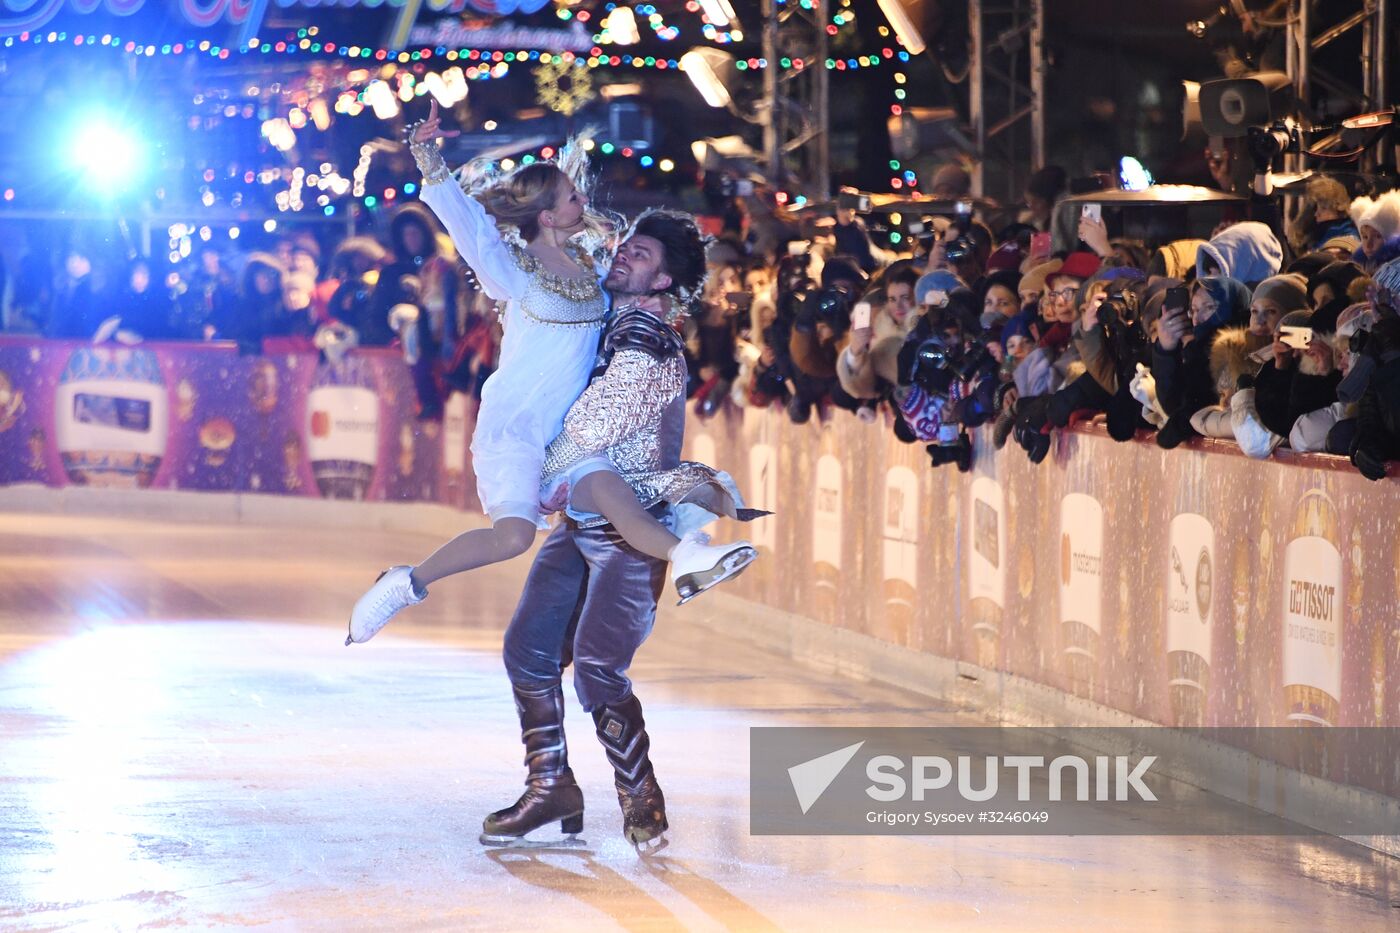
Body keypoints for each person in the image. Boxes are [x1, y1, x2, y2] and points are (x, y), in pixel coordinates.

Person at [346, 102, 753, 645]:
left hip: (570, 431)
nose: (584, 201)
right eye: (571, 198)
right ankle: (406, 581)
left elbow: (647, 284)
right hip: (515, 425)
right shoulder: (513, 273)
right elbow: (469, 228)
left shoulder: (594, 270)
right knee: (513, 537)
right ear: (547, 216)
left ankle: (688, 557)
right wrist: (428, 158)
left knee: (612, 490)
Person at [484, 209, 764, 851]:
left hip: (625, 529)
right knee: (528, 650)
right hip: (585, 523)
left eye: (639, 257)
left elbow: (592, 427)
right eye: (625, 249)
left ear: (663, 282)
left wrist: (541, 475)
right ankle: (550, 784)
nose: (622, 259)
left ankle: (642, 799)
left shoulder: (646, 336)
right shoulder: (616, 321)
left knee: (599, 670)